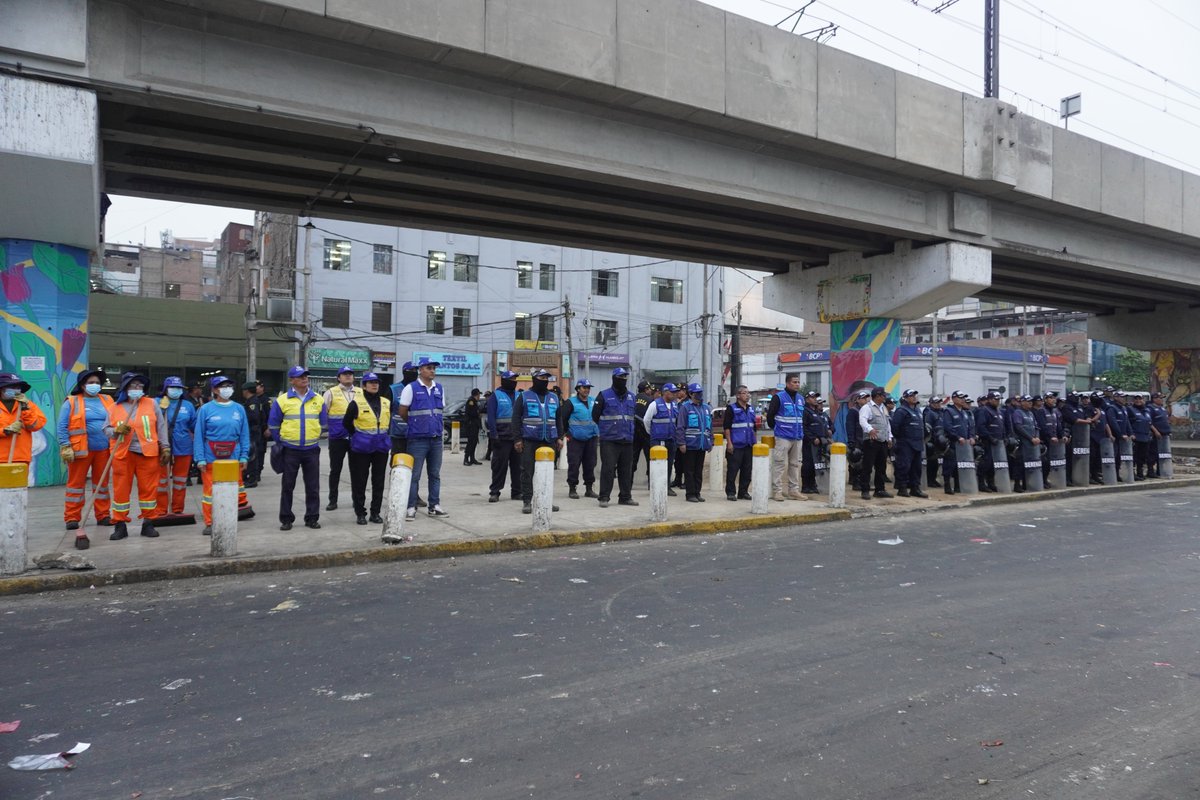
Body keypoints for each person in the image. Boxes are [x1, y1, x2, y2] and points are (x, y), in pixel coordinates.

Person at [106, 372, 169, 541]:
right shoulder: (114, 407)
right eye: (134, 386)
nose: (137, 389)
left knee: (149, 490)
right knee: (120, 491)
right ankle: (120, 525)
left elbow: (161, 427)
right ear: (126, 388)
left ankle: (148, 523)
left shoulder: (151, 403)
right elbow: (106, 429)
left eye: (140, 386)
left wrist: (165, 447)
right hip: (122, 454)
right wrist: (115, 431)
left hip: (147, 453)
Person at [57, 368, 113, 548]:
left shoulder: (107, 400)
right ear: (82, 385)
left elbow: (115, 420)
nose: (95, 385)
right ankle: (72, 517)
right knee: (76, 485)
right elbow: (62, 426)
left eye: (97, 382)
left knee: (102, 485)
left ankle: (103, 515)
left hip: (103, 449)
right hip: (80, 450)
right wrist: (65, 445)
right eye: (90, 382)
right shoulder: (72, 402)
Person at [268, 365, 327, 531]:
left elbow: (323, 424)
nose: (304, 379)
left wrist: (313, 436)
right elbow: (273, 425)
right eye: (300, 376)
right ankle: (286, 519)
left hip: (311, 449)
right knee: (288, 486)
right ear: (291, 380)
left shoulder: (318, 399)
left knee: (313, 486)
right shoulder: (282, 400)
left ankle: (312, 518)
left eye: (306, 376)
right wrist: (282, 441)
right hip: (290, 450)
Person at [194, 375, 253, 534]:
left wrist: (244, 456)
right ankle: (210, 522)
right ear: (214, 390)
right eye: (222, 386)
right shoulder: (205, 409)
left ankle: (228, 519)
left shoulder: (239, 408)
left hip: (233, 456)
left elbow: (244, 434)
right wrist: (200, 458)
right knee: (209, 492)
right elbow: (199, 435)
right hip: (210, 457)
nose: (227, 388)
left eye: (229, 385)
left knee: (230, 490)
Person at [397, 356, 448, 520]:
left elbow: (440, 412)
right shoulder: (411, 388)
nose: (432, 370)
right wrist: (416, 425)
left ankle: (434, 505)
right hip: (417, 439)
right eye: (429, 367)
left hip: (436, 439)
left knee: (435, 474)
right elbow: (403, 412)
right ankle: (411, 507)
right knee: (414, 475)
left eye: (434, 368)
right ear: (420, 370)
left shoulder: (439, 388)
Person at [343, 372, 390, 525]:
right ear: (364, 385)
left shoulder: (386, 402)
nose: (374, 385)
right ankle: (360, 513)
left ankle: (375, 513)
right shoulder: (356, 402)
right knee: (360, 481)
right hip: (361, 448)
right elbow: (347, 423)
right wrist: (357, 436)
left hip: (381, 447)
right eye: (370, 382)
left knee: (379, 481)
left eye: (376, 382)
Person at [513, 369, 562, 513]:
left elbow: (558, 419)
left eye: (547, 377)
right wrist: (517, 439)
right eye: (541, 377)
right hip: (529, 439)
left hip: (549, 440)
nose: (545, 380)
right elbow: (515, 419)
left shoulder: (554, 397)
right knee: (527, 471)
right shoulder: (524, 396)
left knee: (547, 472)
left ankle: (546, 500)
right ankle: (527, 501)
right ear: (534, 379)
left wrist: (559, 437)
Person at [591, 366, 638, 508]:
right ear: (614, 379)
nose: (623, 380)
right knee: (608, 469)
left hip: (627, 439)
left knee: (626, 470)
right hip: (609, 440)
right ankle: (604, 497)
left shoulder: (631, 396)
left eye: (625, 378)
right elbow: (595, 416)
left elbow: (632, 416)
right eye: (620, 378)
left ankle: (625, 497)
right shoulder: (604, 395)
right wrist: (608, 428)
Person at [156, 375, 197, 516]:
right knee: (161, 481)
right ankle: (161, 509)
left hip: (184, 447)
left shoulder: (188, 405)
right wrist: (161, 409)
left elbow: (194, 426)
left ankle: (178, 509)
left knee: (180, 480)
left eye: (179, 388)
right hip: (162, 447)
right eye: (173, 388)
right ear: (165, 389)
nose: (176, 390)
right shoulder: (156, 403)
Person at [323, 365, 362, 511]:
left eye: (350, 374)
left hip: (356, 437)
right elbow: (324, 413)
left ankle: (356, 500)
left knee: (356, 470)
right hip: (337, 438)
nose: (348, 376)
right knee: (335, 470)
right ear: (338, 377)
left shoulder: (360, 392)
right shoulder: (331, 393)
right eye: (344, 374)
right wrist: (330, 429)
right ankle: (332, 500)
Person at [388, 362, 425, 508]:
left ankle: (413, 496)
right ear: (404, 372)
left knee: (414, 469)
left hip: (415, 434)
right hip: (398, 435)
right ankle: (396, 495)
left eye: (416, 370)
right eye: (411, 370)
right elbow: (386, 411)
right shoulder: (393, 389)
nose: (414, 373)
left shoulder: (419, 389)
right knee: (398, 466)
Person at [766, 373, 805, 501]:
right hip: (783, 436)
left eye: (798, 382)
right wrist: (777, 429)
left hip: (797, 436)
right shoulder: (779, 397)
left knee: (795, 464)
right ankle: (777, 491)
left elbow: (801, 417)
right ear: (788, 383)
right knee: (779, 463)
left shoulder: (800, 398)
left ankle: (793, 490)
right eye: (794, 382)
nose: (797, 384)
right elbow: (770, 416)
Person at [559, 378, 598, 499]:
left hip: (591, 438)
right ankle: (572, 488)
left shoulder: (593, 401)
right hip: (575, 439)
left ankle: (589, 488)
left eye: (588, 388)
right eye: (584, 387)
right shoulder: (571, 402)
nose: (587, 390)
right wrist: (566, 433)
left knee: (590, 464)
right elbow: (562, 419)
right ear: (578, 389)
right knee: (574, 464)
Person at [486, 370, 522, 503]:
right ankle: (495, 492)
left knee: (518, 467)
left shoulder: (519, 395)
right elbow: (491, 417)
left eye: (515, 380)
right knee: (499, 467)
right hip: (501, 438)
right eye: (511, 380)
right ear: (505, 380)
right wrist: (494, 435)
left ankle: (517, 492)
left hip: (517, 438)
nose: (514, 382)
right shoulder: (496, 395)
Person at [675, 383, 713, 502]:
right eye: (696, 393)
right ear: (690, 394)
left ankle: (697, 492)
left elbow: (709, 426)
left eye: (700, 393)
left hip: (701, 445)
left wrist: (711, 441)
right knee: (689, 471)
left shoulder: (706, 408)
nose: (699, 395)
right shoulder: (685, 408)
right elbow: (680, 426)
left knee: (698, 471)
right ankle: (690, 494)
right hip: (690, 444)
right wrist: (681, 443)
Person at [0, 371, 46, 469]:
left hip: (20, 458)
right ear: (1, 389)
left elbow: (36, 426)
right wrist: (5, 431)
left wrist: (25, 409)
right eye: (11, 387)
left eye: (18, 387)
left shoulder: (28, 405)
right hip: (1, 458)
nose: (16, 390)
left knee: (19, 485)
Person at [889, 389, 928, 498]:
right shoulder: (901, 410)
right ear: (905, 398)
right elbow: (895, 428)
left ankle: (915, 488)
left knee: (917, 468)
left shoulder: (918, 410)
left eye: (915, 395)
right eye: (911, 395)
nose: (914, 397)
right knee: (904, 466)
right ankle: (902, 488)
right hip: (905, 444)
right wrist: (902, 439)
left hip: (918, 443)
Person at [643, 381, 679, 496]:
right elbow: (646, 420)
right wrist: (652, 433)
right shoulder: (655, 404)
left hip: (671, 439)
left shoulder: (674, 405)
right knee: (656, 465)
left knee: (669, 464)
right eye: (672, 392)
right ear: (665, 393)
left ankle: (667, 487)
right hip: (658, 440)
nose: (674, 394)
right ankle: (655, 487)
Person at [858, 386, 893, 500]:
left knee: (881, 467)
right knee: (867, 467)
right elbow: (862, 420)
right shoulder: (867, 407)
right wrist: (869, 429)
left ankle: (880, 490)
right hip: (871, 441)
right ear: (877, 396)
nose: (885, 397)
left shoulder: (883, 407)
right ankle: (865, 490)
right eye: (883, 395)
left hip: (882, 441)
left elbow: (886, 423)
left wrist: (889, 437)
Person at [722, 385, 756, 500]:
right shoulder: (731, 409)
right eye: (744, 393)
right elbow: (727, 427)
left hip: (748, 444)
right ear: (738, 395)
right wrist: (729, 443)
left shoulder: (751, 409)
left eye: (748, 393)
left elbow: (753, 427)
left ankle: (743, 492)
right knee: (733, 470)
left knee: (747, 471)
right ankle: (731, 492)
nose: (747, 395)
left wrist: (754, 442)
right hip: (736, 445)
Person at [938, 391, 975, 495]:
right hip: (953, 443)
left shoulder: (965, 412)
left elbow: (970, 426)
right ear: (954, 399)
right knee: (950, 464)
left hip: (964, 445)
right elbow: (948, 427)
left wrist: (971, 437)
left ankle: (958, 486)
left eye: (964, 398)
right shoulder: (948, 411)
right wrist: (957, 437)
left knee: (960, 465)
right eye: (960, 397)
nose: (963, 399)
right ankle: (947, 486)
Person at [241, 381, 270, 488]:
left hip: (253, 432)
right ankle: (251, 476)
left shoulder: (253, 403)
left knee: (252, 457)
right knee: (252, 455)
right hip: (253, 432)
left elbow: (254, 417)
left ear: (246, 391)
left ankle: (253, 479)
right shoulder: (252, 401)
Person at [975, 391, 1004, 492]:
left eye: (998, 399)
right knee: (985, 463)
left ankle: (991, 483)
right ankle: (981, 483)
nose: (997, 401)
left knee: (993, 465)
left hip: (998, 443)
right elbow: (981, 427)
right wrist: (990, 438)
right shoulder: (984, 410)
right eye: (995, 399)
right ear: (990, 399)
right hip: (987, 442)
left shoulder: (998, 411)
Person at [1010, 395, 1040, 492]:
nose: (1030, 403)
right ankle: (1017, 485)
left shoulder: (1031, 413)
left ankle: (1027, 483)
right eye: (1028, 401)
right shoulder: (1018, 413)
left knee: (1030, 464)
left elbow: (1036, 427)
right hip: (1022, 443)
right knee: (1019, 464)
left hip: (1032, 443)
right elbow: (1018, 427)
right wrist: (1031, 438)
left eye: (1031, 401)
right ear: (1022, 402)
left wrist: (1037, 437)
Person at [801, 390, 828, 494]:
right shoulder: (805, 411)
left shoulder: (816, 411)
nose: (815, 399)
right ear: (807, 399)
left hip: (819, 442)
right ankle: (805, 486)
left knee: (815, 464)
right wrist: (812, 438)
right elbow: (804, 427)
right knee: (807, 464)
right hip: (809, 442)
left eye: (816, 397)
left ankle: (812, 484)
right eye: (813, 397)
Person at [1105, 390, 1133, 481]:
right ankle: (1112, 474)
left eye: (1124, 397)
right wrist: (1120, 434)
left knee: (1120, 457)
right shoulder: (1111, 408)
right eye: (1121, 397)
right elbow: (1113, 423)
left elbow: (1127, 422)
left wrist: (1131, 433)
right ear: (1116, 397)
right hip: (1114, 437)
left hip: (1123, 438)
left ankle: (1117, 474)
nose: (1123, 399)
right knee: (1114, 456)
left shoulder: (1124, 408)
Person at [845, 389, 869, 493]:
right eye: (863, 398)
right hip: (856, 439)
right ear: (857, 400)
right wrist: (851, 441)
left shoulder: (866, 410)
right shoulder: (853, 411)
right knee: (856, 462)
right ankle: (855, 482)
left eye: (866, 398)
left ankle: (861, 482)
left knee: (864, 463)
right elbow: (850, 426)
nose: (865, 400)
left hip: (865, 439)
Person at [1128, 393, 1154, 480]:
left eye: (1140, 399)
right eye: (1136, 399)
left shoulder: (1146, 410)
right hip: (1136, 437)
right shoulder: (1130, 409)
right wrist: (1131, 433)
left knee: (1143, 456)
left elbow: (1149, 423)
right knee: (1134, 456)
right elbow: (1128, 423)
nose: (1138, 401)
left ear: (1143, 400)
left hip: (1145, 437)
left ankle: (1140, 472)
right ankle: (1133, 473)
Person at [632, 380, 654, 479]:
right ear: (646, 389)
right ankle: (651, 483)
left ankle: (629, 482)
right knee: (650, 458)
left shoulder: (632, 399)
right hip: (646, 433)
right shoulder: (650, 401)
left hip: (633, 433)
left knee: (632, 458)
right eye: (649, 389)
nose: (650, 391)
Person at [1148, 391, 1171, 477]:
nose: (1161, 400)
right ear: (1154, 399)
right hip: (1156, 435)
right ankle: (1150, 471)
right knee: (1153, 453)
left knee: (1162, 454)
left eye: (1162, 398)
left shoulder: (1162, 408)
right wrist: (1156, 431)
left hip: (1164, 435)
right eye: (1160, 398)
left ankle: (1160, 470)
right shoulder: (1150, 408)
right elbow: (1149, 422)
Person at [463, 388, 483, 466]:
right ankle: (466, 459)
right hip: (471, 425)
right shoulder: (471, 401)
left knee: (474, 442)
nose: (479, 396)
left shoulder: (475, 401)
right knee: (470, 442)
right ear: (476, 394)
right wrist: (478, 414)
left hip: (475, 425)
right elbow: (471, 413)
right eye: (479, 394)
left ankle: (472, 458)